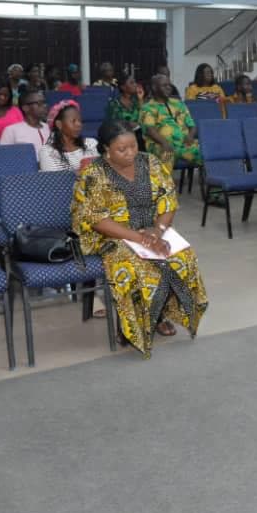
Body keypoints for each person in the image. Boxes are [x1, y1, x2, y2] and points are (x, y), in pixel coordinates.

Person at [71, 120, 208, 355]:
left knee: (182, 257)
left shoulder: (150, 162)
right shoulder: (93, 174)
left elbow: (168, 199)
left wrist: (159, 231)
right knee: (134, 264)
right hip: (110, 235)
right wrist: (138, 238)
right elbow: (96, 220)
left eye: (133, 146)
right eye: (121, 149)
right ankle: (132, 325)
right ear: (106, 149)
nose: (130, 153)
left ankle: (160, 314)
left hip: (150, 230)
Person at [139, 73, 200, 173]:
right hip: (160, 144)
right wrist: (164, 142)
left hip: (184, 143)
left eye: (169, 85)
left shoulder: (178, 103)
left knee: (206, 152)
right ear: (154, 88)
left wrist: (191, 136)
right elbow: (150, 130)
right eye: (164, 85)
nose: (168, 88)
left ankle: (212, 183)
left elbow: (191, 124)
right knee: (167, 155)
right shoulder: (148, 108)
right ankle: (165, 187)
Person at [39, 100, 100, 172]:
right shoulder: (48, 152)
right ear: (59, 125)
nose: (79, 124)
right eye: (73, 121)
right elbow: (53, 181)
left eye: (80, 120)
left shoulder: (91, 144)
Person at [0, 88, 50, 158]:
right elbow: (4, 157)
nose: (44, 106)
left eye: (44, 102)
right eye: (39, 103)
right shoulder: (11, 130)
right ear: (26, 108)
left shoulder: (48, 127)